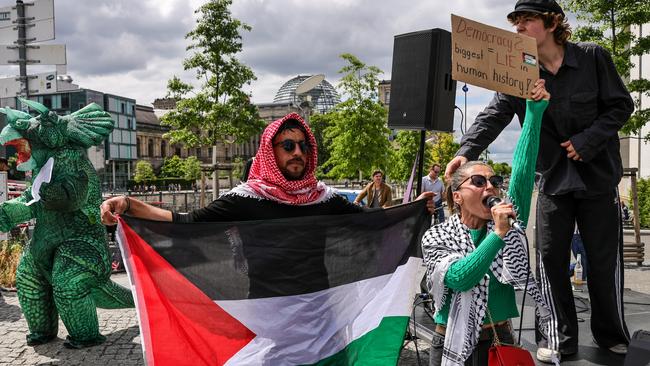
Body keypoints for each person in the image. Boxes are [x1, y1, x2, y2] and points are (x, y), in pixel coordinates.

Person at [444, 0, 632, 362]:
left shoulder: (593, 57)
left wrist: (587, 140)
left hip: (598, 179)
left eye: (526, 20)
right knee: (549, 261)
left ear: (552, 22)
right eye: (514, 21)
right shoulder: (518, 73)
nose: (518, 27)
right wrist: (466, 150)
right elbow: (494, 114)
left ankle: (610, 336)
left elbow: (621, 106)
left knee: (603, 262)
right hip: (553, 183)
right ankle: (560, 338)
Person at [101, 112, 433, 239]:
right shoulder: (246, 198)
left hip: (319, 314)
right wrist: (129, 204)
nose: (297, 153)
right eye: (287, 145)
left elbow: (371, 220)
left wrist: (414, 208)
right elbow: (184, 222)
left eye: (303, 145)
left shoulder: (322, 197)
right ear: (270, 151)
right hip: (265, 316)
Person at [424, 81, 553, 365]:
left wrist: (533, 113)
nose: (490, 188)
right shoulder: (437, 236)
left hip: (500, 339)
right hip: (451, 341)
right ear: (457, 196)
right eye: (479, 182)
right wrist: (497, 234)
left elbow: (522, 169)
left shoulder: (506, 226)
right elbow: (460, 278)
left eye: (494, 182)